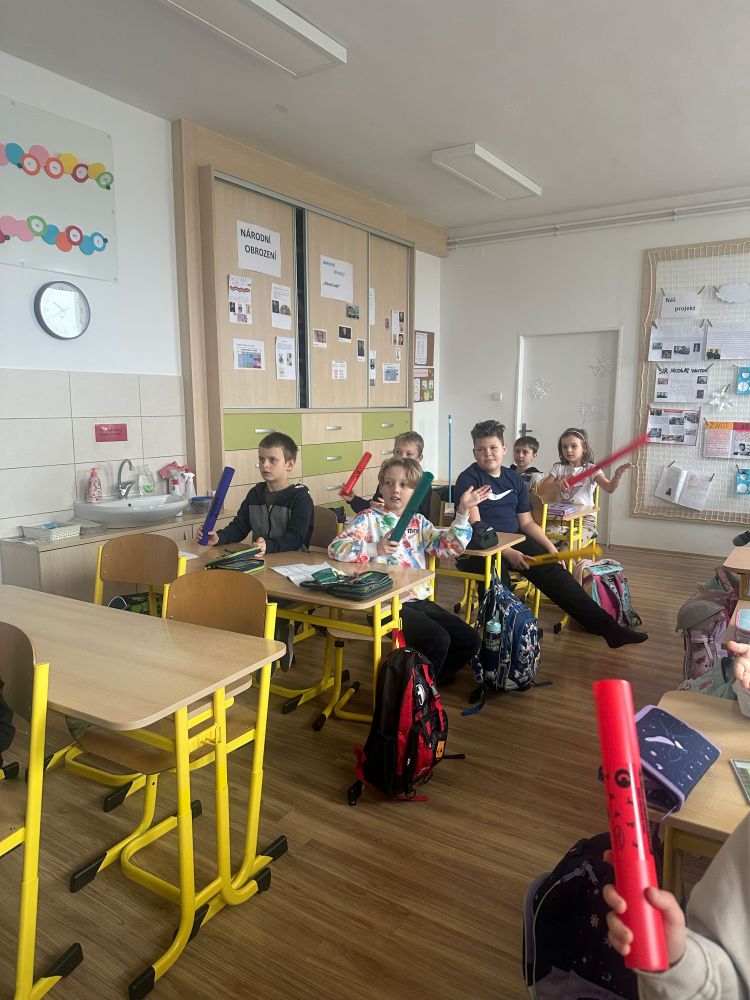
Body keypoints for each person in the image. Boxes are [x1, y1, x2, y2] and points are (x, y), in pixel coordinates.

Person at [454, 420, 648, 648]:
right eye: (481, 449)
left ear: (504, 449)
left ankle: (609, 629)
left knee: (556, 573)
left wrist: (551, 549)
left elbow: (526, 523)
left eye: (493, 447)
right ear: (474, 452)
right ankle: (505, 640)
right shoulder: (469, 479)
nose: (487, 454)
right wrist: (508, 552)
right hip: (480, 547)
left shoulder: (514, 479)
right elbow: (478, 529)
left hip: (513, 539)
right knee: (498, 580)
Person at [329, 457, 491, 684]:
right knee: (438, 639)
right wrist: (375, 548)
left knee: (470, 639)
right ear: (381, 486)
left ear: (415, 492)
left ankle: (428, 683)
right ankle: (418, 688)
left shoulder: (419, 522)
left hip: (418, 599)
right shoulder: (368, 518)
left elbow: (449, 547)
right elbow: (336, 548)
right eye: (389, 483)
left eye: (404, 485)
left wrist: (463, 511)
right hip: (384, 605)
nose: (395, 489)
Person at [197, 431, 313, 553]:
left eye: (273, 460)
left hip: (294, 561)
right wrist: (219, 538)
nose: (265, 465)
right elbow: (239, 528)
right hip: (262, 559)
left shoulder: (301, 497)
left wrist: (268, 546)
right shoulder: (255, 494)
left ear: (289, 465)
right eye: (262, 459)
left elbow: (295, 538)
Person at [536, 427, 633, 545]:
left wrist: (617, 475)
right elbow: (540, 491)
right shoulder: (558, 468)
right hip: (564, 518)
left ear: (584, 448)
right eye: (564, 446)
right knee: (544, 542)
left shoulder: (592, 469)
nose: (568, 450)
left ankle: (566, 556)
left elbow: (610, 488)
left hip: (586, 520)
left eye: (574, 446)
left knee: (568, 547)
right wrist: (556, 483)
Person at [340, 431, 433, 518]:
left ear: (419, 458)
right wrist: (353, 499)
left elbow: (420, 519)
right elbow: (373, 507)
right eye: (398, 452)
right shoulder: (388, 478)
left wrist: (391, 509)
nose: (402, 457)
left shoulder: (423, 484)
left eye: (409, 454)